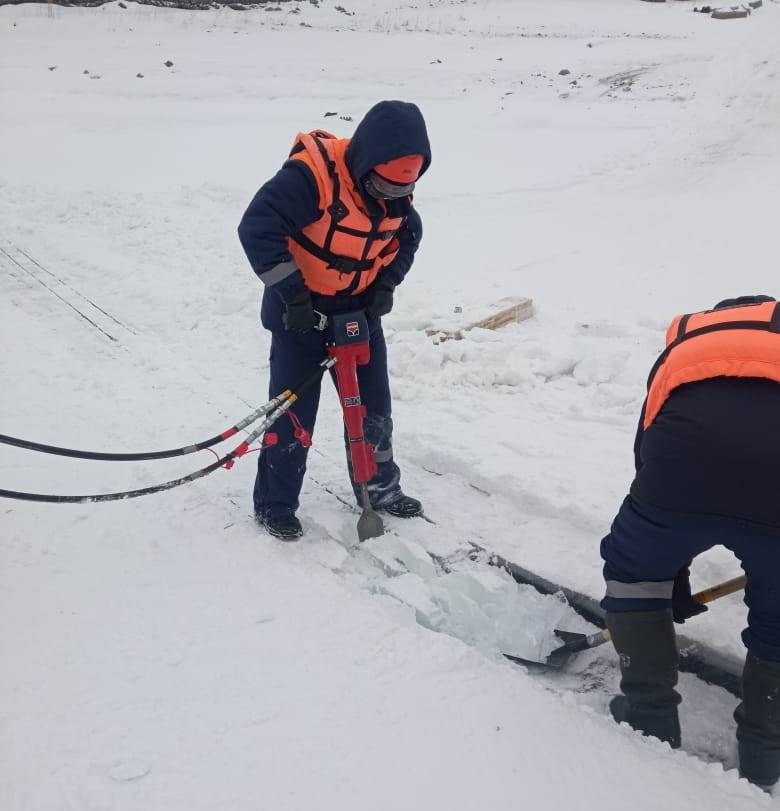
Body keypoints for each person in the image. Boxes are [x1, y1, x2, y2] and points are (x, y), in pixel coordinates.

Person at [600, 295, 780, 790]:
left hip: (676, 476)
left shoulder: (685, 344)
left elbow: (646, 450)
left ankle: (649, 714)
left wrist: (665, 573)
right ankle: (765, 749)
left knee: (633, 572)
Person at [238, 100, 431, 540]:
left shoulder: (396, 197)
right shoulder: (310, 179)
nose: (390, 198)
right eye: (382, 186)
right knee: (293, 413)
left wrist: (385, 286)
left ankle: (380, 488)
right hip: (299, 314)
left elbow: (408, 237)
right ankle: (275, 504)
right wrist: (294, 296)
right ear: (365, 162)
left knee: (373, 409)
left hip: (358, 312)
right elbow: (257, 227)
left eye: (402, 189)